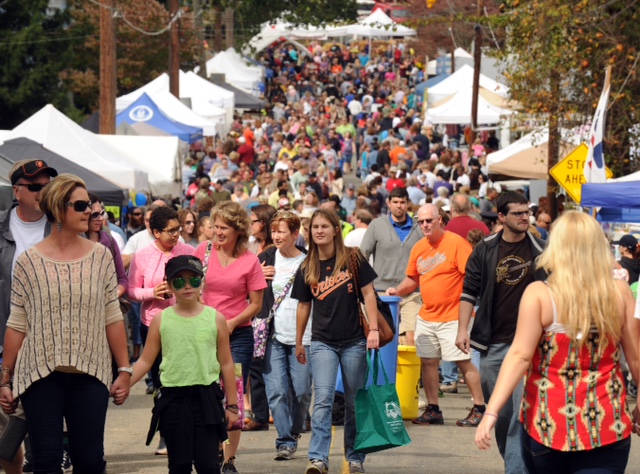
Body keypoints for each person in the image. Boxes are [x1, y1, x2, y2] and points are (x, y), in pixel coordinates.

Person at [475, 211, 640, 473]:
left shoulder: (539, 295)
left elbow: (519, 356)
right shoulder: (620, 293)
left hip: (548, 424)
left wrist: (491, 411)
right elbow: (636, 358)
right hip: (606, 423)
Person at [0, 173, 130, 473]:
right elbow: (17, 322)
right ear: (59, 208)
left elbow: (112, 315)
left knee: (90, 461)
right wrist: (5, 379)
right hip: (39, 376)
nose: (90, 211)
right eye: (81, 205)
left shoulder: (100, 257)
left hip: (91, 374)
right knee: (45, 462)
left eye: (90, 205)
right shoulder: (29, 261)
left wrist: (123, 371)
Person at [456, 191, 546, 474]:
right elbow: (469, 291)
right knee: (502, 415)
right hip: (492, 343)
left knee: (520, 414)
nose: (524, 217)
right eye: (518, 213)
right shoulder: (485, 249)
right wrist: (462, 329)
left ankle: (517, 471)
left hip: (528, 345)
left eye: (527, 212)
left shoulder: (540, 250)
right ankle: (515, 463)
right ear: (502, 217)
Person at [130, 255, 239, 474]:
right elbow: (146, 359)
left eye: (194, 280)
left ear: (202, 281)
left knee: (208, 465)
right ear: (169, 285)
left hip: (207, 398)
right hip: (173, 400)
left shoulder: (215, 318)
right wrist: (125, 382)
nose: (187, 286)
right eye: (179, 281)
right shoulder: (161, 319)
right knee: (178, 465)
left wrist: (233, 406)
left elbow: (226, 363)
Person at [293, 209, 380, 474]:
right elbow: (303, 307)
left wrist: (374, 329)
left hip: (354, 340)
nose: (319, 231)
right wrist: (299, 342)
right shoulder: (307, 265)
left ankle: (354, 456)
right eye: (314, 227)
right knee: (323, 401)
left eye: (324, 226)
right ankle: (318, 458)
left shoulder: (353, 257)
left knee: (355, 401)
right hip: (322, 342)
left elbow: (369, 294)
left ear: (334, 230)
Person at [386, 204, 486, 428]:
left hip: (453, 316)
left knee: (463, 361)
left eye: (429, 220)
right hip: (427, 315)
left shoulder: (456, 244)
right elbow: (413, 279)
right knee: (428, 362)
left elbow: (471, 278)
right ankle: (433, 409)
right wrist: (396, 291)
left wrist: (468, 312)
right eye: (421, 222)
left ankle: (480, 408)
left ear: (440, 220)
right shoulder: (419, 248)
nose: (425, 225)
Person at [193, 201, 267, 474]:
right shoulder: (204, 251)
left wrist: (233, 322)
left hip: (238, 336)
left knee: (233, 393)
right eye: (215, 227)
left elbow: (256, 303)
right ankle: (210, 450)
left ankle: (229, 459)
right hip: (203, 333)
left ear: (238, 230)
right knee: (206, 392)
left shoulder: (249, 261)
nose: (217, 232)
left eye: (223, 228)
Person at [0, 159, 58, 474]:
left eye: (47, 186)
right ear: (18, 191)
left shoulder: (62, 227)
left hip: (48, 347)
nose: (43, 192)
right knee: (7, 437)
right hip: (4, 341)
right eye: (36, 186)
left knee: (45, 440)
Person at [128, 206, 195, 453]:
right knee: (161, 382)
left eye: (178, 229)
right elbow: (132, 289)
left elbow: (201, 284)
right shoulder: (142, 255)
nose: (176, 235)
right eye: (170, 231)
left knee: (186, 379)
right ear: (156, 232)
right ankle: (165, 433)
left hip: (187, 324)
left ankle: (188, 429)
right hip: (154, 325)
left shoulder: (188, 251)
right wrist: (151, 293)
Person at [259, 211, 311, 461]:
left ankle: (294, 429)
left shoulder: (310, 261)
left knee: (301, 392)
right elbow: (250, 290)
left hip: (304, 336)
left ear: (295, 234)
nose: (277, 236)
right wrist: (258, 277)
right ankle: (285, 440)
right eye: (274, 231)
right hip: (273, 336)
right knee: (277, 391)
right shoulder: (266, 258)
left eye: (282, 231)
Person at [360, 187, 423, 346]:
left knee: (412, 339)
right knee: (379, 338)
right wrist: (365, 285)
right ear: (388, 203)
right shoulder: (376, 225)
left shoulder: (419, 228)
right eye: (395, 202)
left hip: (411, 293)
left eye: (402, 202)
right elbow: (362, 256)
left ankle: (411, 371)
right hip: (381, 292)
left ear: (408, 203)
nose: (399, 206)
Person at [245, 204, 277, 432]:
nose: (250, 224)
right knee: (255, 364)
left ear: (263, 223)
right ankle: (260, 414)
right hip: (253, 312)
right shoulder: (249, 246)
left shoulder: (279, 250)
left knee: (278, 363)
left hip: (274, 310)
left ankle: (294, 415)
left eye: (253, 220)